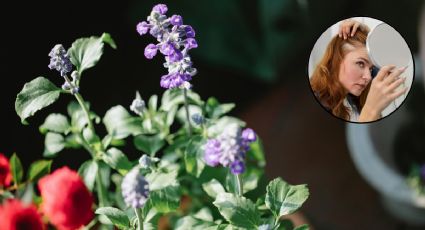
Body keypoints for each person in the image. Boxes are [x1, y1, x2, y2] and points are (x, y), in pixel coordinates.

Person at [310, 19, 407, 122]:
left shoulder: (352, 95)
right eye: (360, 64)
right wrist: (370, 110)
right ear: (336, 60)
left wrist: (368, 34)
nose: (368, 77)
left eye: (370, 69)